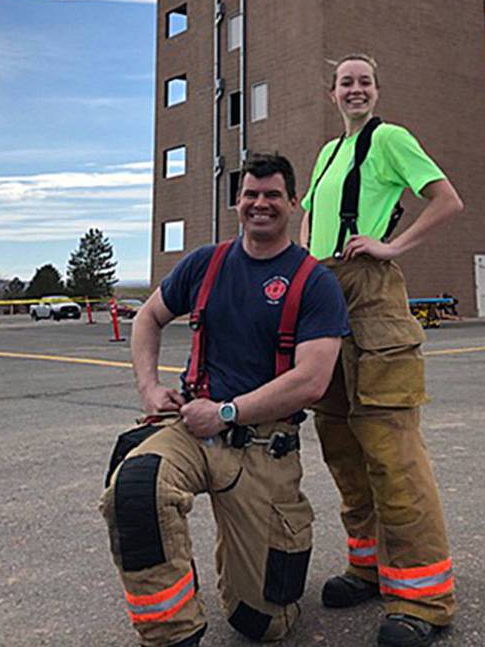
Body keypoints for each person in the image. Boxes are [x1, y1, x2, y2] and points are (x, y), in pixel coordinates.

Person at [101, 153, 349, 647]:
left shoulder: (315, 282)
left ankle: (247, 573)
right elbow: (146, 318)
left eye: (273, 195)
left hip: (263, 445)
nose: (261, 203)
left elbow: (311, 381)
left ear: (293, 203)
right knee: (134, 488)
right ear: (236, 202)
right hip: (193, 430)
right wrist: (149, 388)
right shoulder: (203, 264)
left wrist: (228, 412)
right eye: (251, 194)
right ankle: (173, 633)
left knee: (261, 623)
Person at [300, 54, 464, 647]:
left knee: (392, 450)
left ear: (376, 89)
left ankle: (423, 596)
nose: (355, 90)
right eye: (346, 82)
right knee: (342, 445)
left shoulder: (390, 138)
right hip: (321, 295)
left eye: (365, 81)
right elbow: (309, 221)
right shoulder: (326, 153)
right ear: (332, 93)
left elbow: (447, 199)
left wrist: (393, 246)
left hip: (370, 295)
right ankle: (368, 567)